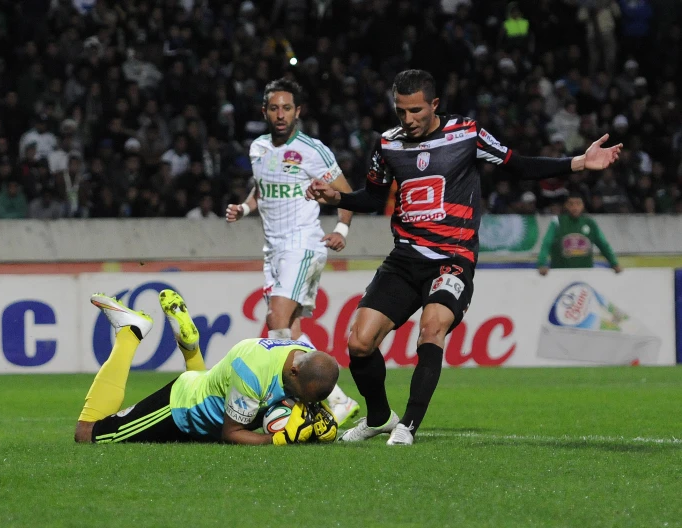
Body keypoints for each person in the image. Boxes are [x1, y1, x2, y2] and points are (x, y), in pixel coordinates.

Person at [306, 69, 623, 445]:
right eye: (401, 111)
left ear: (435, 104)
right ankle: (379, 418)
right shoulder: (387, 145)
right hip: (404, 260)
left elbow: (516, 164)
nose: (408, 120)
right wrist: (339, 199)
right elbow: (374, 198)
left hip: (452, 259)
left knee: (432, 327)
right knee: (358, 344)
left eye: (416, 111)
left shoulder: (466, 134)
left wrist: (577, 163)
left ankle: (408, 424)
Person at [225, 78, 360, 425]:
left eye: (287, 108)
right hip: (273, 249)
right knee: (292, 333)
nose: (280, 114)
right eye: (274, 108)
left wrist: (341, 229)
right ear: (265, 112)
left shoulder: (313, 150)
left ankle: (301, 398)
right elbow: (261, 189)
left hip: (303, 243)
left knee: (277, 322)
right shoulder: (258, 148)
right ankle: (338, 400)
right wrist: (244, 208)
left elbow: (345, 192)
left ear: (298, 112)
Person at [75, 290, 339, 446]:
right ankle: (130, 332)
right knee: (87, 434)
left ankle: (191, 350)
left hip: (212, 386)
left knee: (211, 386)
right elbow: (231, 433)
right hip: (180, 407)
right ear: (294, 372)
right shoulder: (252, 370)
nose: (303, 401)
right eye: (302, 395)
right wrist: (278, 440)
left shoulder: (303, 357)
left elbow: (304, 398)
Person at [537, 191, 621, 275]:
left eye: (578, 204)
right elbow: (546, 243)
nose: (575, 207)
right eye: (571, 204)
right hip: (561, 274)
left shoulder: (590, 223)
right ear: (566, 205)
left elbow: (603, 244)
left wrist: (614, 263)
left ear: (583, 205)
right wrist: (541, 264)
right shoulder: (557, 222)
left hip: (585, 275)